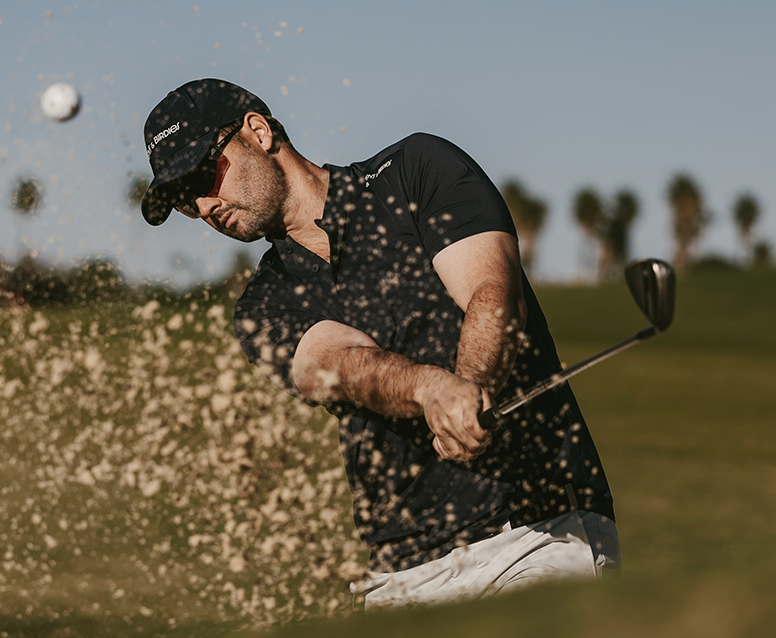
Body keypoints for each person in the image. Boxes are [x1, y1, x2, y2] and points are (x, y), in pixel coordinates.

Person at [138, 78, 619, 608]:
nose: (204, 205)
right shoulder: (262, 306)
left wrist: (472, 389)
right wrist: (432, 391)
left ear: (258, 132)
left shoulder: (414, 173)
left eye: (206, 174)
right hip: (401, 571)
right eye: (186, 200)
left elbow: (492, 296)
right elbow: (341, 365)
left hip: (535, 530)